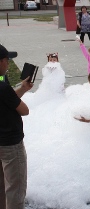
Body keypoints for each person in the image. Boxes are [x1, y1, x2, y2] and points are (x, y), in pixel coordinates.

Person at [0, 44, 33, 209]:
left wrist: (22, 89)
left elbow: (7, 99)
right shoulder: (3, 86)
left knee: (2, 186)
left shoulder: (2, 84)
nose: (7, 64)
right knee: (15, 189)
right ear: (2, 62)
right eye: (7, 60)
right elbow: (24, 110)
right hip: (10, 145)